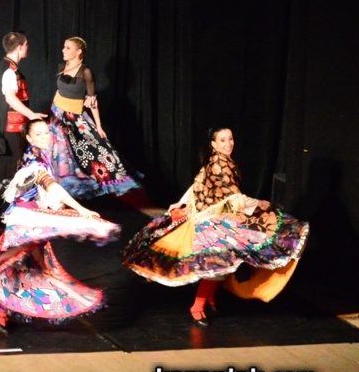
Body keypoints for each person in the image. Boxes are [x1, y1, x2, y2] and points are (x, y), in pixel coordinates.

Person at [122, 127, 309, 326]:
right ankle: (197, 307)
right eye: (223, 140)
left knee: (222, 264)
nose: (228, 144)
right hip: (212, 221)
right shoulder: (221, 165)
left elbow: (197, 185)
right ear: (213, 144)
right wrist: (258, 203)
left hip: (216, 217)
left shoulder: (215, 161)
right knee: (217, 264)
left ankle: (209, 298)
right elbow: (234, 199)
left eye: (230, 139)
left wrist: (181, 201)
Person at [0, 119, 121, 329]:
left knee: (23, 265)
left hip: (29, 218)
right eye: (38, 134)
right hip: (26, 220)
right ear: (29, 138)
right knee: (11, 264)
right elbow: (53, 189)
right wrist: (81, 209)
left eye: (46, 133)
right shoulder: (36, 162)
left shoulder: (36, 155)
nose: (44, 137)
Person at [48, 37, 141, 198]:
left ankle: (84, 188)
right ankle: (57, 189)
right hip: (57, 115)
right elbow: (58, 92)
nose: (63, 50)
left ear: (79, 52)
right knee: (58, 153)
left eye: (68, 48)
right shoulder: (63, 66)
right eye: (64, 47)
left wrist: (98, 126)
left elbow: (92, 101)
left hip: (73, 117)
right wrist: (51, 113)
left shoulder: (85, 72)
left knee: (93, 152)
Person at [0, 31, 47, 232]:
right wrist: (31, 115)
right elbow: (10, 97)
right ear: (20, 46)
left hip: (5, 128)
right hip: (8, 130)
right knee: (7, 173)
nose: (27, 47)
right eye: (26, 44)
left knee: (7, 171)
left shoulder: (2, 67)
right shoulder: (9, 71)